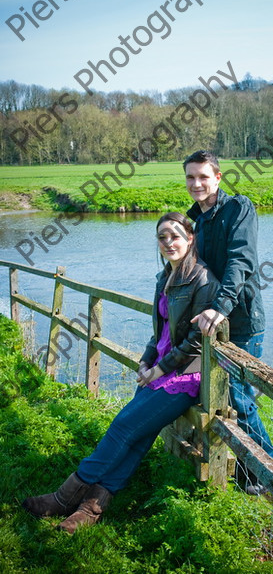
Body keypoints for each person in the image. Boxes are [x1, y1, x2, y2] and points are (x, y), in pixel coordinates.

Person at [22, 212, 219, 533]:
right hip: (159, 369)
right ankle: (91, 508)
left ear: (190, 237)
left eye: (175, 235)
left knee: (123, 427)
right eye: (162, 237)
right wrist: (146, 360)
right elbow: (160, 332)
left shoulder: (203, 280)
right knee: (138, 438)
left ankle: (62, 498)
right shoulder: (164, 277)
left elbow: (196, 344)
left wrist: (160, 369)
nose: (168, 242)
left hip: (183, 376)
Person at [184, 150, 273, 495]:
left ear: (218, 178)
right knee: (219, 395)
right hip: (212, 322)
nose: (196, 184)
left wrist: (220, 307)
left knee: (240, 398)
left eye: (203, 177)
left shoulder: (238, 209)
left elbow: (240, 262)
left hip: (240, 319)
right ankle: (243, 470)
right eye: (190, 177)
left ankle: (271, 470)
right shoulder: (197, 221)